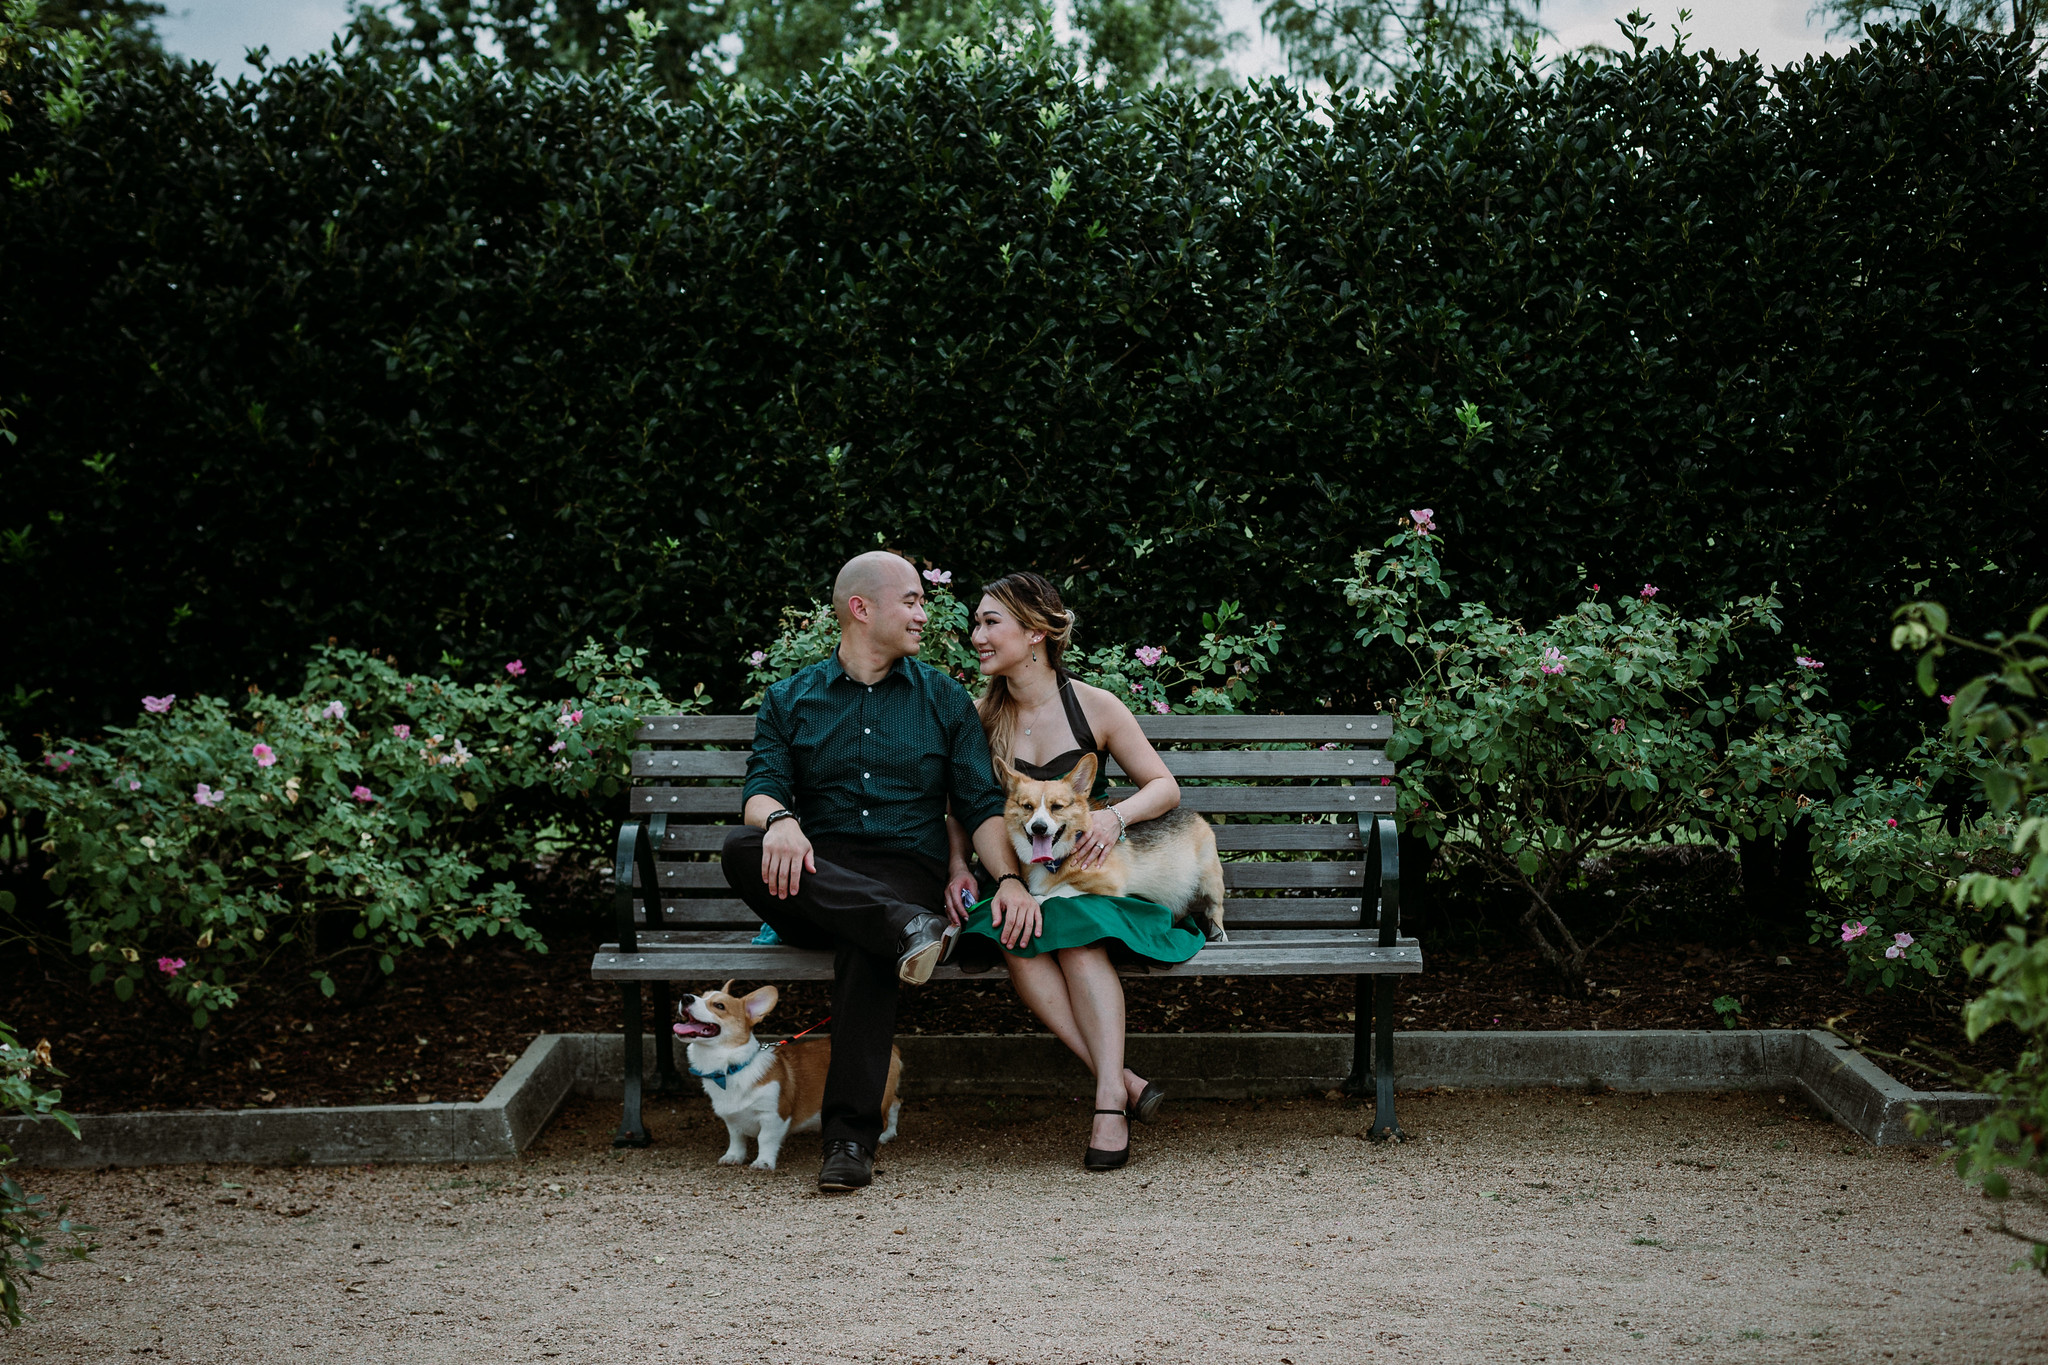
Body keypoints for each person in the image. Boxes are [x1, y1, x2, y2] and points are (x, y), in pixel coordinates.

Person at [722, 550, 1039, 1193]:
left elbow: (979, 803)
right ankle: (904, 929)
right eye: (914, 600)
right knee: (739, 848)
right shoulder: (791, 699)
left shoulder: (943, 699)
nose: (926, 613)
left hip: (903, 870)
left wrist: (1006, 878)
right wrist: (781, 818)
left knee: (870, 943)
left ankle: (848, 1139)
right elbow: (759, 789)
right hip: (812, 876)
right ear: (862, 609)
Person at [947, 571, 1204, 1171]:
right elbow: (962, 805)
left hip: (1091, 882)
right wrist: (958, 864)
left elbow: (1164, 786)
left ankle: (1109, 1100)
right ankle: (1121, 1081)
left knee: (1078, 938)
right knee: (1018, 934)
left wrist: (1113, 818)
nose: (976, 636)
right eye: (977, 623)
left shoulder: (1095, 706)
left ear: (1035, 632)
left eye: (990, 623)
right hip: (1017, 881)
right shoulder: (980, 717)